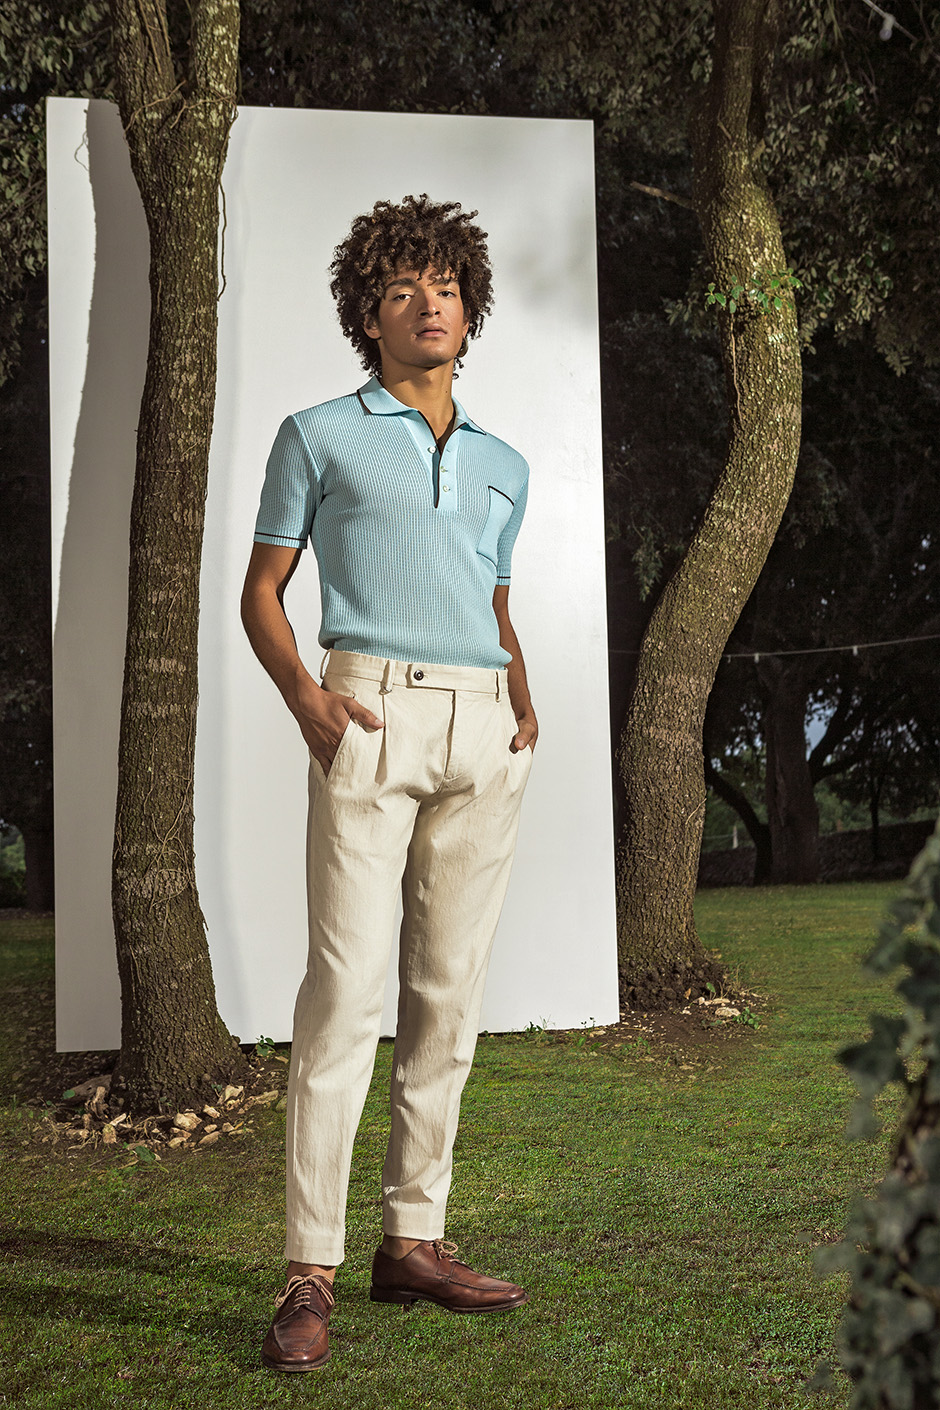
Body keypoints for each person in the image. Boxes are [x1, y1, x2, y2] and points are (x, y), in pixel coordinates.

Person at [241, 194, 537, 1373]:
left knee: (448, 997)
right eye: (403, 289)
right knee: (343, 992)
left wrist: (521, 699)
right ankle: (307, 1271)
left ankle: (412, 1241)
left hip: (484, 732)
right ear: (368, 315)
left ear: (470, 308)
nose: (428, 305)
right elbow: (262, 592)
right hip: (369, 710)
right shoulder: (317, 435)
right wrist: (308, 702)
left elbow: (492, 600)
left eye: (446, 287)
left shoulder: (505, 464)